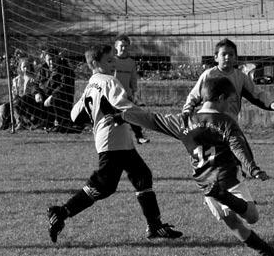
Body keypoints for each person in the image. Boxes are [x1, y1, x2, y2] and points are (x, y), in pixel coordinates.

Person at [112, 76, 274, 256]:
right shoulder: (225, 122)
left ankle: (267, 252)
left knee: (232, 222)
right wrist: (253, 168)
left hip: (205, 182)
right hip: (227, 179)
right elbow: (239, 147)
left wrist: (124, 115)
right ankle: (225, 197)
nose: (230, 106)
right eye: (231, 101)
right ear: (221, 98)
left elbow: (152, 119)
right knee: (252, 216)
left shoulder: (184, 121)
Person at [46, 44, 182, 243]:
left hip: (115, 139)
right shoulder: (110, 81)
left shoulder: (92, 82)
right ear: (95, 63)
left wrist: (101, 117)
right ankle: (61, 212)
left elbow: (75, 115)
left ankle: (155, 225)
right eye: (109, 60)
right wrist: (140, 117)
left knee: (141, 175)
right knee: (103, 185)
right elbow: (126, 107)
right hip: (113, 141)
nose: (114, 63)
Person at [182, 38, 274, 122]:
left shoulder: (240, 77)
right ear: (216, 57)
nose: (227, 57)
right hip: (209, 121)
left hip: (230, 122)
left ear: (235, 58)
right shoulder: (208, 75)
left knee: (235, 145)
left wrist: (271, 103)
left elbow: (256, 94)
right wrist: (186, 112)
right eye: (224, 54)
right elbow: (194, 96)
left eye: (231, 55)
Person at [113, 34, 150, 144]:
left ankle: (139, 137)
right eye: (121, 46)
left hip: (126, 95)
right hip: (113, 95)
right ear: (116, 46)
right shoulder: (112, 61)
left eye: (126, 46)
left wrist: (134, 93)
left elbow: (133, 80)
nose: (123, 48)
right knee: (118, 118)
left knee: (132, 113)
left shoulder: (131, 62)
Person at [33, 48, 75, 132]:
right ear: (45, 59)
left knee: (56, 98)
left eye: (53, 59)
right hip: (44, 97)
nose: (51, 62)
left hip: (62, 99)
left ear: (57, 58)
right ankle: (32, 123)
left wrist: (52, 96)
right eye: (49, 59)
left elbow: (64, 86)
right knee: (23, 100)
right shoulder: (42, 69)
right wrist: (36, 93)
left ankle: (60, 124)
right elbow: (35, 84)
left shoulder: (66, 69)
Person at [0, 58, 38, 131]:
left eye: (27, 66)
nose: (26, 68)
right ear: (20, 68)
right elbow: (14, 93)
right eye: (24, 67)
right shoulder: (16, 80)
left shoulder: (33, 79)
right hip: (17, 99)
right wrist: (15, 96)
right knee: (4, 106)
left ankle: (20, 123)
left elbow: (33, 91)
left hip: (28, 100)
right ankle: (4, 123)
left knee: (16, 103)